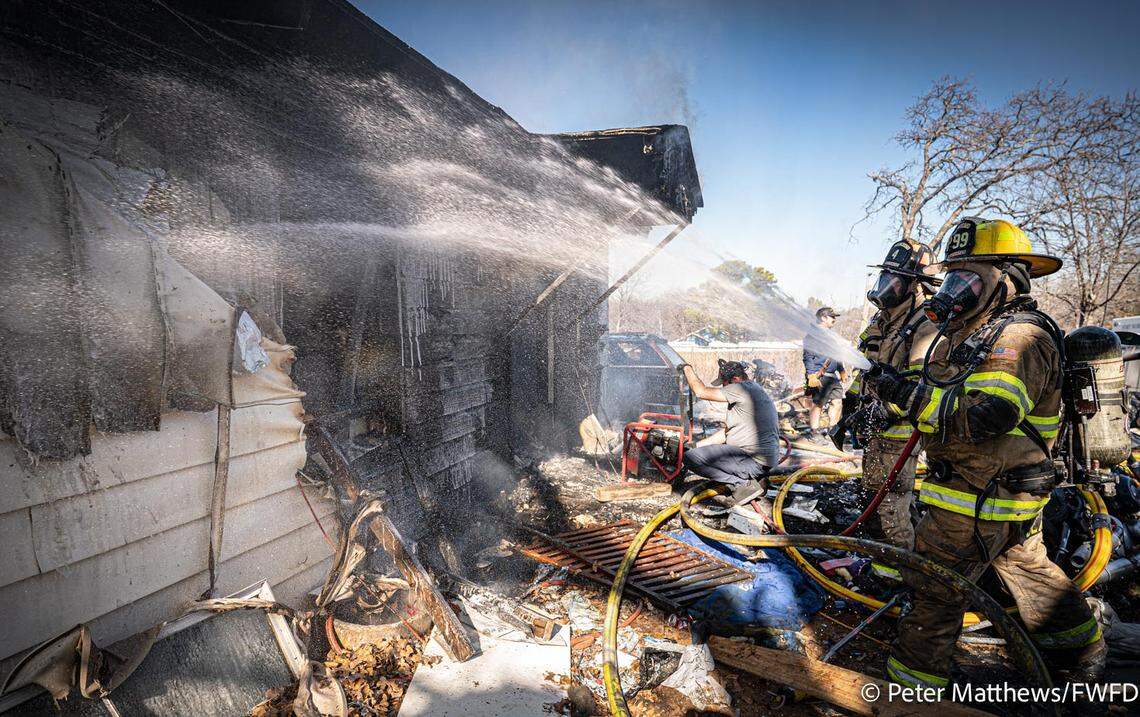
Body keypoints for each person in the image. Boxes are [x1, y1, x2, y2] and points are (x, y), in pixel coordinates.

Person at [865, 217, 1106, 688]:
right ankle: (1079, 649)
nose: (953, 291)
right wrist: (895, 386)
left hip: (979, 496)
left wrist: (905, 394)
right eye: (952, 278)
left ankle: (911, 688)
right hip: (994, 491)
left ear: (1008, 280)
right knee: (1027, 568)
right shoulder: (976, 333)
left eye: (967, 279)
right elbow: (946, 392)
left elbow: (986, 416)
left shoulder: (1019, 338)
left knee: (935, 586)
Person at [855, 239, 940, 550]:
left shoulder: (926, 324)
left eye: (894, 279)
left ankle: (901, 570)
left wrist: (885, 411)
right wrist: (853, 406)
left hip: (900, 435)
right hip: (875, 430)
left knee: (890, 508)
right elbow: (864, 367)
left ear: (915, 286)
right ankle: (887, 562)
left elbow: (922, 386)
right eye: (885, 277)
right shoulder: (883, 321)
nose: (885, 286)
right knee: (873, 499)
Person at [679, 359, 781, 508]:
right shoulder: (752, 390)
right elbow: (727, 432)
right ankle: (756, 479)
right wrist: (696, 445)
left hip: (751, 460)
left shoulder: (742, 389)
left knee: (690, 458)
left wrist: (687, 368)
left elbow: (701, 391)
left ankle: (742, 484)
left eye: (724, 383)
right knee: (694, 452)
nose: (723, 387)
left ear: (736, 379)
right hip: (760, 460)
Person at [802, 307, 846, 443]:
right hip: (819, 376)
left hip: (832, 376)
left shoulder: (831, 336)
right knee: (818, 404)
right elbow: (808, 357)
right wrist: (811, 375)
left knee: (837, 402)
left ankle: (832, 431)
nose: (834, 319)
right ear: (823, 318)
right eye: (832, 317)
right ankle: (814, 432)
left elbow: (835, 355)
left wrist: (841, 369)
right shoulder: (813, 335)